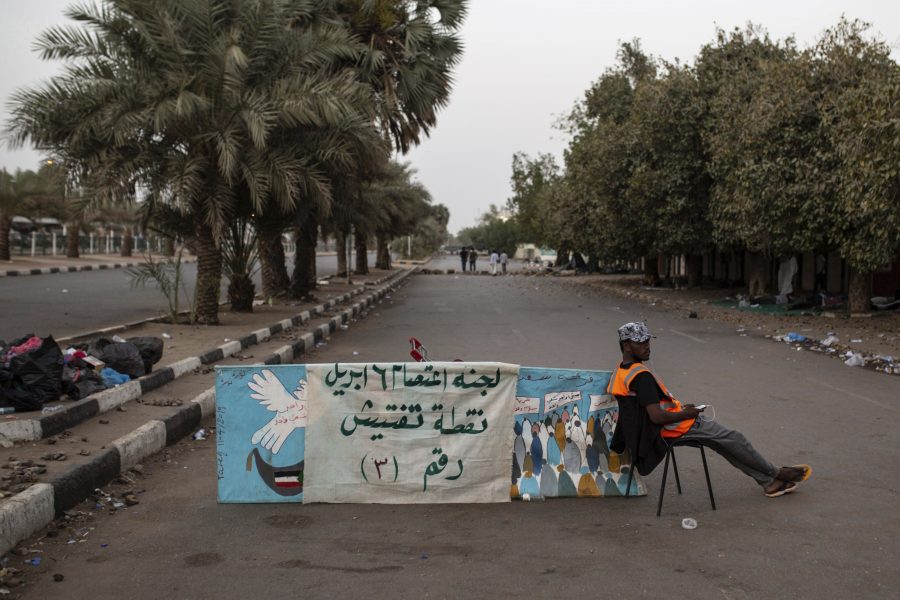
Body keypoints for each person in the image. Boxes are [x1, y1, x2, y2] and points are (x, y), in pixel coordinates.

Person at [608, 322, 811, 498]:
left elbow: (647, 409)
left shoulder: (622, 370)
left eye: (647, 341)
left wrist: (680, 408)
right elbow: (657, 416)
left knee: (725, 443)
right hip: (673, 428)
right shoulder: (641, 376)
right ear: (626, 345)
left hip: (655, 430)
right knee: (734, 439)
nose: (647, 346)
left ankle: (770, 482)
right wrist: (686, 414)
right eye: (640, 342)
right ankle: (776, 473)